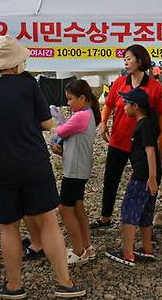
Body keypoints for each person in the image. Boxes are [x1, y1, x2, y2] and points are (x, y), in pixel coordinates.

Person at [0, 35, 85, 299]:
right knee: (49, 222)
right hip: (33, 163)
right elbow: (46, 124)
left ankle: (14, 286)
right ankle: (65, 284)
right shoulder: (28, 86)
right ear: (13, 64)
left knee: (8, 226)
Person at [91, 44, 162, 230]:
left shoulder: (154, 86)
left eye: (129, 58)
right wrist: (103, 123)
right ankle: (105, 217)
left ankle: (143, 222)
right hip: (118, 139)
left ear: (140, 61)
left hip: (143, 144)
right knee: (111, 178)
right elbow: (108, 104)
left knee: (144, 180)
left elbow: (161, 114)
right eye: (124, 59)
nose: (125, 62)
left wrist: (161, 139)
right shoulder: (119, 83)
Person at [104, 87, 160, 266]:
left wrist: (151, 177)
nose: (123, 106)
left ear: (136, 106)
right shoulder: (147, 124)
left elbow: (150, 151)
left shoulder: (143, 126)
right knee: (145, 213)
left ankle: (127, 252)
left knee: (129, 211)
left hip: (143, 176)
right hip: (149, 175)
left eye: (126, 103)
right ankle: (147, 248)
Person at [51, 79, 100, 265]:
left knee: (65, 209)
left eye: (71, 99)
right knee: (78, 206)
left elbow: (61, 130)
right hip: (80, 168)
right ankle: (87, 247)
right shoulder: (88, 114)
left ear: (82, 98)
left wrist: (56, 140)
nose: (68, 103)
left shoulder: (81, 116)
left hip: (74, 170)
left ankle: (78, 251)